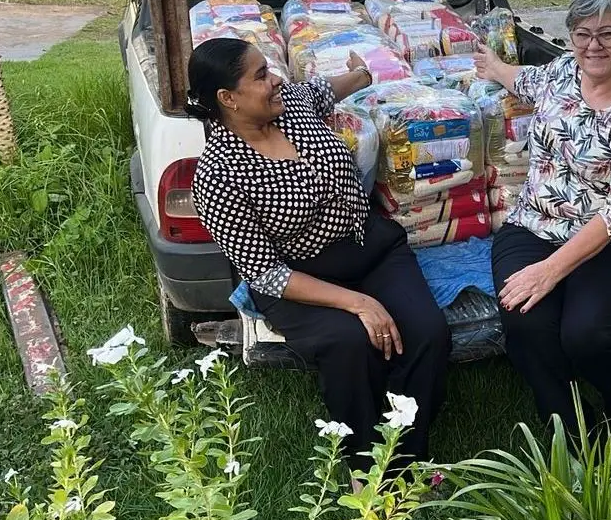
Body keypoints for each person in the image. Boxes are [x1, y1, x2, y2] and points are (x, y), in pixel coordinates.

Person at [188, 37, 451, 469]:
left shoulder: (290, 102)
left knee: (427, 332)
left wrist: (362, 74)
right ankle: (364, 463)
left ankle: (406, 451)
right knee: (349, 344)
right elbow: (266, 273)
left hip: (370, 247)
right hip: (300, 278)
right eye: (260, 76)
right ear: (228, 99)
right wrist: (360, 303)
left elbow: (325, 90)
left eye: (270, 71)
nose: (275, 81)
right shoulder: (218, 175)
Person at [473, 0, 611, 440]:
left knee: (587, 333)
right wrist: (494, 65)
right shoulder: (561, 73)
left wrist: (551, 271)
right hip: (534, 226)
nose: (592, 46)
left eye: (607, 34)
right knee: (526, 320)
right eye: (582, 33)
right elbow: (522, 80)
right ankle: (572, 431)